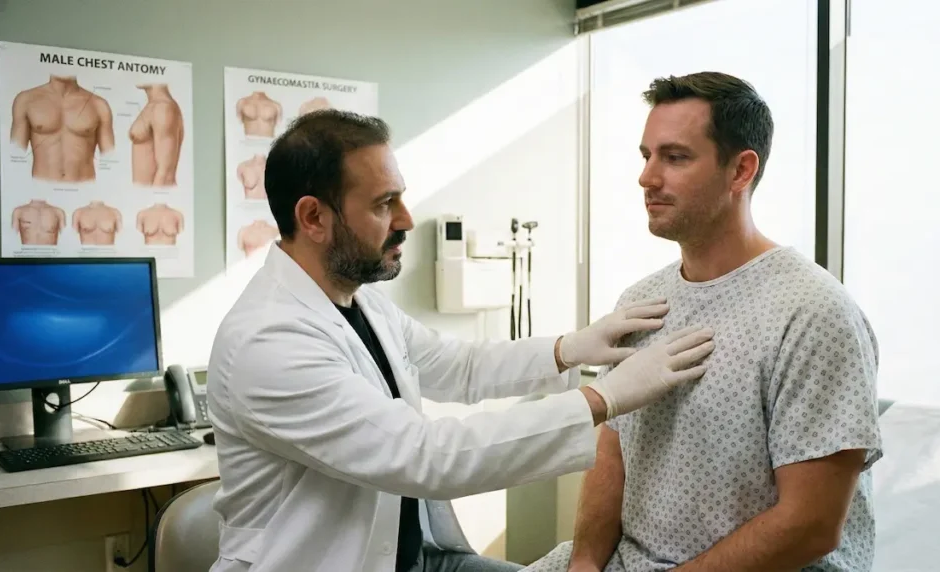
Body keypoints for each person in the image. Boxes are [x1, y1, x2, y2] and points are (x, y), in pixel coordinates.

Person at [205, 109, 717, 572]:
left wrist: (571, 347)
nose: (406, 220)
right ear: (314, 218)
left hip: (417, 556)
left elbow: (459, 366)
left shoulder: (358, 301)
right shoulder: (269, 341)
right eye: (385, 204)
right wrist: (603, 397)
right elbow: (424, 456)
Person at [525, 72, 883, 571]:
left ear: (740, 171)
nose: (647, 177)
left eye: (674, 158)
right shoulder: (643, 301)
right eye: (646, 156)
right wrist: (584, 562)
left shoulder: (812, 314)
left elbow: (812, 525)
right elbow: (613, 455)